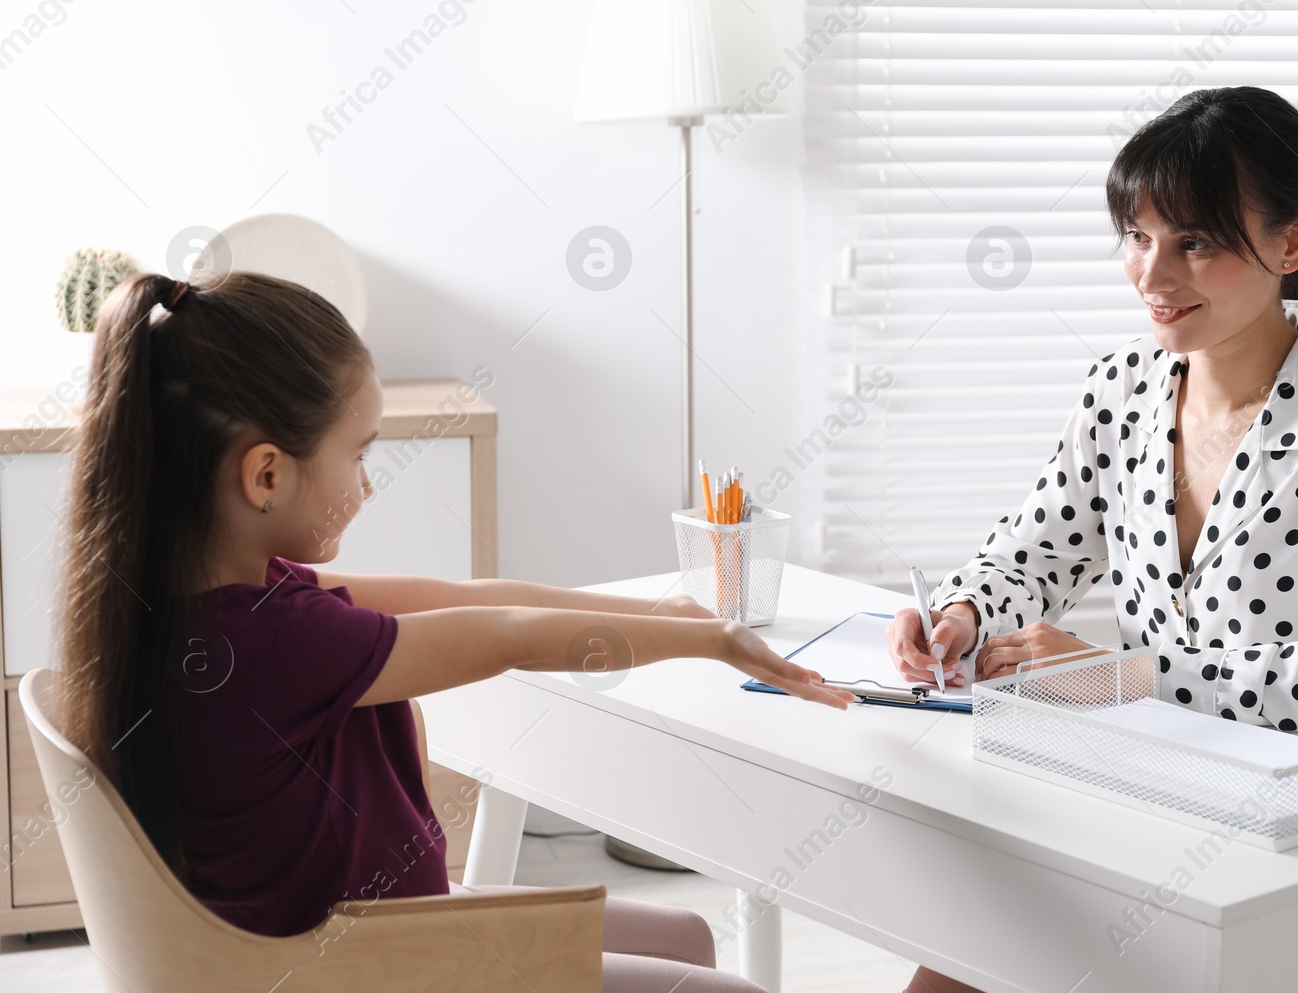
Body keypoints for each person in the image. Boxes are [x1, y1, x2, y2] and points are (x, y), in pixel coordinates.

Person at [57, 269, 850, 993]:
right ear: (266, 473)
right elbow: (505, 632)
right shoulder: (275, 645)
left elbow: (463, 596)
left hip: (351, 933)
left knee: (684, 935)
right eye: (360, 453)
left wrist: (670, 615)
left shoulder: (212, 603)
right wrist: (713, 642)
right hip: (367, 968)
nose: (368, 483)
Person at [888, 84, 1298, 993]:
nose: (1152, 274)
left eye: (1196, 241)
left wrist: (1125, 675)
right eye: (1138, 237)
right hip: (1147, 792)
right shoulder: (1121, 386)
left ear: (1293, 241)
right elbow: (1036, 550)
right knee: (965, 941)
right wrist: (965, 610)